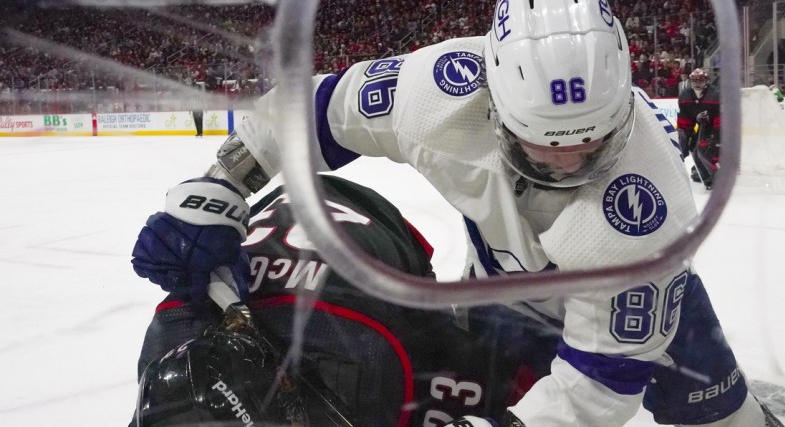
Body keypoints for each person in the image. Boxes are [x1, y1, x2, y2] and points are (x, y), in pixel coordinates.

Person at [131, 0, 781, 425]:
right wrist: (222, 183)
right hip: (493, 297)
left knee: (722, 419)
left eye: (591, 143)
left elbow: (605, 378)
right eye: (543, 144)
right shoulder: (438, 93)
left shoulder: (650, 217)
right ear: (492, 100)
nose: (566, 163)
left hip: (629, 321)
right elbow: (311, 111)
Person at [132, 174, 553, 426]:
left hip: (381, 246)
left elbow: (508, 383)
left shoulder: (372, 358)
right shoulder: (167, 351)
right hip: (300, 232)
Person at [677, 68, 721, 189]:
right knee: (694, 148)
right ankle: (706, 173)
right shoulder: (685, 95)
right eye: (694, 80)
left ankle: (719, 174)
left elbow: (721, 118)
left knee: (706, 148)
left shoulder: (715, 94)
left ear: (706, 81)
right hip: (702, 126)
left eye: (700, 80)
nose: (697, 83)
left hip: (716, 127)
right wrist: (684, 140)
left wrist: (718, 140)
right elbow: (685, 120)